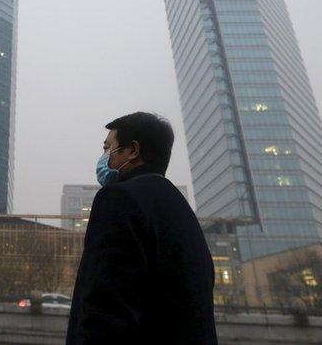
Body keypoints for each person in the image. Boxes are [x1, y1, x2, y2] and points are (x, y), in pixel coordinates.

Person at [66, 112, 217, 344]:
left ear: (133, 150)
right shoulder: (181, 209)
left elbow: (105, 311)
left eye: (108, 148)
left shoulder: (118, 199)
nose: (104, 157)